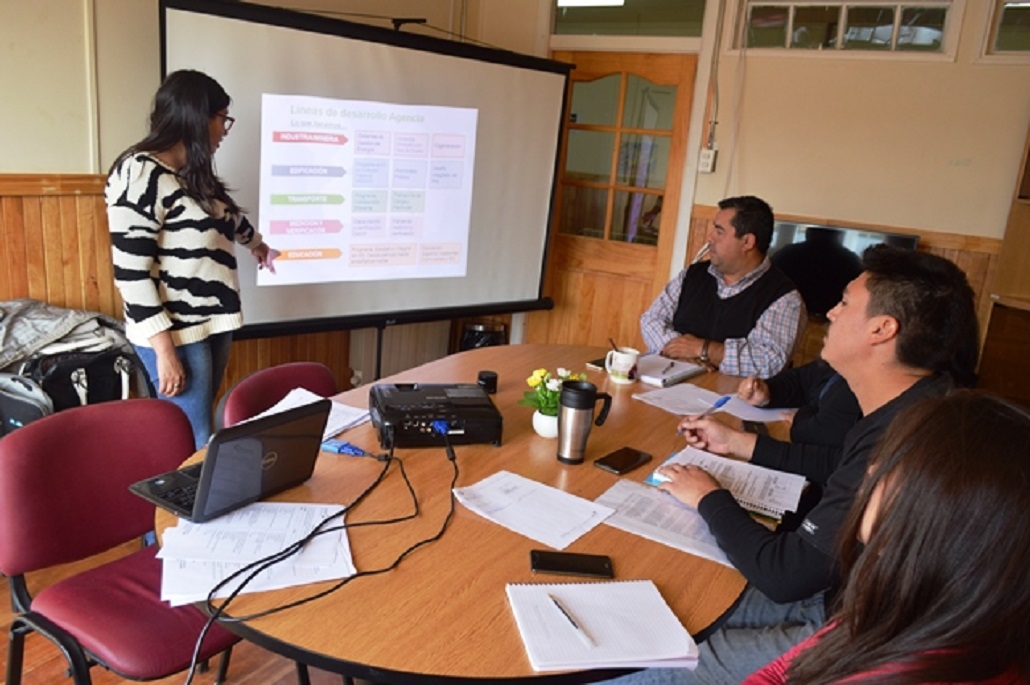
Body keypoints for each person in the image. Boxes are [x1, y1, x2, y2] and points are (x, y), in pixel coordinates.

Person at [607, 245, 980, 685]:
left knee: (645, 670)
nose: (831, 312)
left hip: (859, 632)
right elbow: (838, 466)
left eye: (845, 303)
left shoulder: (907, 439)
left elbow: (783, 575)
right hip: (836, 591)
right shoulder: (918, 404)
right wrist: (741, 443)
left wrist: (709, 497)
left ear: (881, 329)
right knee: (645, 617)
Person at [744, 391, 1030, 684]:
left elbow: (783, 577)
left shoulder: (912, 666)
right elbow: (790, 667)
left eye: (895, 466)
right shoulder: (908, 602)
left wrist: (716, 499)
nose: (871, 469)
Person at [106, 70, 275, 449]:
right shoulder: (139, 173)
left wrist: (258, 245)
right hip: (176, 333)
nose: (225, 130)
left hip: (212, 322)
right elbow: (131, 274)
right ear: (197, 117)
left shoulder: (190, 174)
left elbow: (224, 218)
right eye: (222, 118)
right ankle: (187, 494)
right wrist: (165, 352)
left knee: (200, 434)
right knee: (193, 440)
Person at [640, 196, 805, 378]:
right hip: (668, 381)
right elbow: (651, 319)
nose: (710, 237)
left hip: (733, 393)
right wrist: (680, 351)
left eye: (719, 231)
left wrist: (703, 349)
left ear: (747, 242)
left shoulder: (784, 297)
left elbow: (769, 361)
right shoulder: (692, 274)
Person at [738, 359, 860, 448]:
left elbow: (822, 433)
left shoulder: (861, 384)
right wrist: (769, 392)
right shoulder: (846, 359)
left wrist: (801, 419)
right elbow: (803, 379)